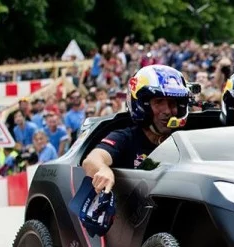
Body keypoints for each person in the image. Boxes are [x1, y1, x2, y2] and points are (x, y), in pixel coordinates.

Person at [82, 65, 193, 194]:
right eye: (159, 102)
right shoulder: (126, 137)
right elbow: (91, 160)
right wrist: (102, 170)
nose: (167, 111)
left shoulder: (186, 138)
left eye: (172, 103)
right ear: (141, 105)